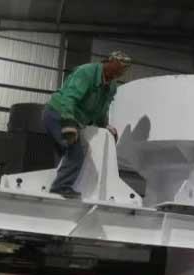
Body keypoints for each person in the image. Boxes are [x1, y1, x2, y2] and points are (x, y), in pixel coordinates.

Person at [44, 50, 132, 198]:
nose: (120, 72)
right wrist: (68, 121)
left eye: (123, 70)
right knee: (76, 151)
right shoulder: (87, 72)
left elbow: (101, 110)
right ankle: (60, 187)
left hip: (73, 120)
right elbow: (69, 97)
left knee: (68, 155)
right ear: (109, 61)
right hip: (58, 113)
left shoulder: (111, 86)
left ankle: (57, 187)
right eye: (118, 67)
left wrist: (105, 126)